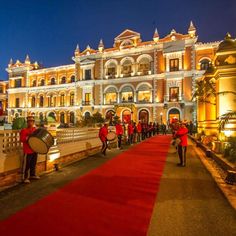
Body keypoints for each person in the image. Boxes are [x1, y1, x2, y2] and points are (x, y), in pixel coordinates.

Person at [20, 115, 40, 183]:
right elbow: (22, 139)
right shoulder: (24, 130)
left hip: (35, 149)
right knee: (27, 164)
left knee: (33, 163)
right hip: (28, 150)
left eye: (32, 121)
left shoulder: (35, 130)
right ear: (27, 122)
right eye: (29, 121)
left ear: (33, 122)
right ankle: (25, 177)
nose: (30, 123)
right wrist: (29, 137)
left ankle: (32, 175)